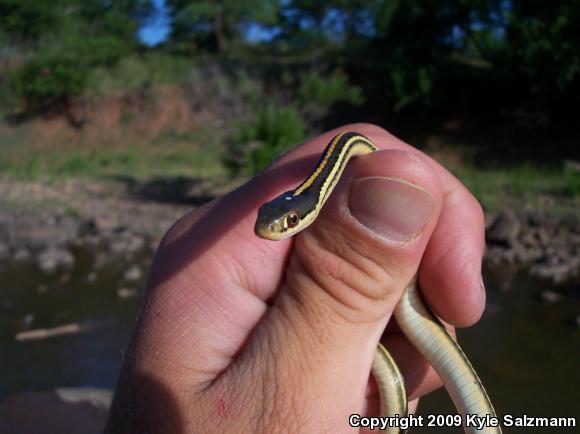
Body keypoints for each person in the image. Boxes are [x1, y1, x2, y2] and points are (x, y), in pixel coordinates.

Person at [105, 123, 487, 433]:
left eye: (287, 223)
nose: (271, 230)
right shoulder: (325, 176)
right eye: (273, 221)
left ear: (307, 210)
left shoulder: (344, 160)